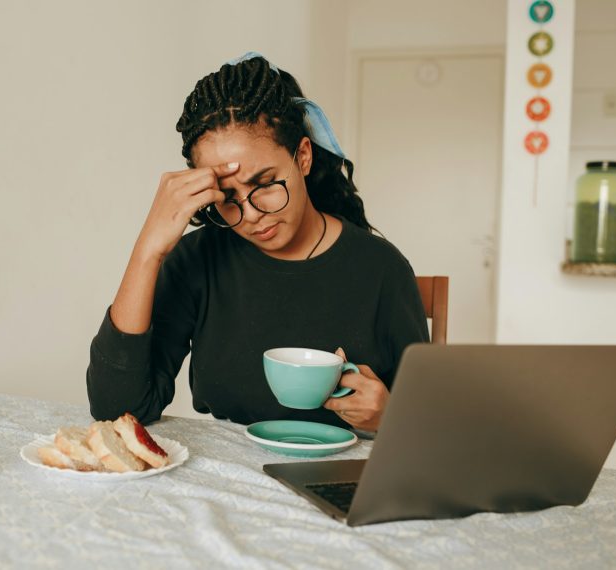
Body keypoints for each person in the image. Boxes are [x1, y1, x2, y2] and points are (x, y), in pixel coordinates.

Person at [87, 53, 429, 433]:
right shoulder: (198, 260)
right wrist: (148, 249)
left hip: (340, 477)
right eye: (228, 197)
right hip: (226, 474)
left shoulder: (381, 270)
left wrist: (390, 416)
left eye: (265, 184)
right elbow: (117, 409)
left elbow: (428, 431)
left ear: (302, 156)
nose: (250, 215)